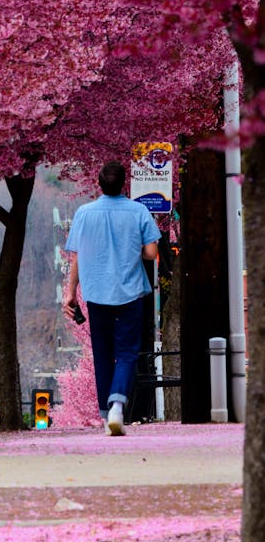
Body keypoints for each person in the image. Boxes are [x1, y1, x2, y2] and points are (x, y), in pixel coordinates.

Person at [63, 160, 160, 436]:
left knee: (102, 354)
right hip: (129, 293)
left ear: (99, 184)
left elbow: (77, 257)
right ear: (124, 183)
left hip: (96, 293)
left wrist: (71, 293)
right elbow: (152, 253)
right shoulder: (139, 211)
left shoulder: (84, 213)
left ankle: (106, 417)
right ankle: (118, 402)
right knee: (127, 352)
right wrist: (133, 252)